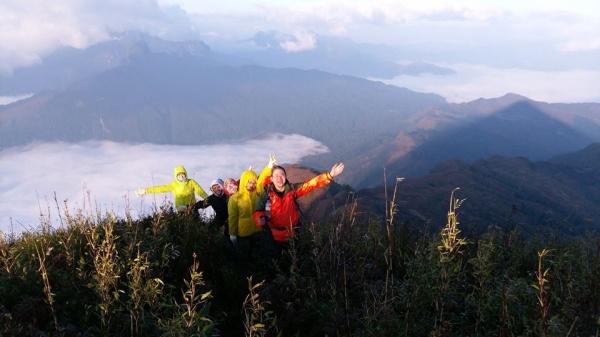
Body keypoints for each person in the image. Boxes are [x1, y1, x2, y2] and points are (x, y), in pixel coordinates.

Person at [254, 162, 345, 258]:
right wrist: (259, 220)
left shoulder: (293, 190)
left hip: (293, 234)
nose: (279, 178)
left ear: (285, 177)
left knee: (294, 260)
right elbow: (258, 210)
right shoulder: (266, 194)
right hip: (273, 236)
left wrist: (330, 175)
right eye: (276, 175)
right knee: (277, 262)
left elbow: (311, 184)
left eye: (282, 175)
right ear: (271, 179)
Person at [228, 155, 276, 269]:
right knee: (243, 256)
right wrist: (232, 234)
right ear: (244, 182)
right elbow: (233, 218)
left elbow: (261, 180)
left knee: (256, 254)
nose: (252, 184)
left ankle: (256, 274)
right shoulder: (235, 198)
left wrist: (269, 167)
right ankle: (244, 275)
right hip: (243, 234)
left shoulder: (257, 193)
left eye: (253, 182)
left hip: (256, 230)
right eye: (249, 182)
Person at [136, 165, 208, 214]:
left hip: (192, 207)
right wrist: (145, 191)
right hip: (181, 209)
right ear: (176, 176)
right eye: (179, 175)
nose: (181, 176)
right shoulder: (174, 184)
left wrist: (208, 199)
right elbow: (160, 188)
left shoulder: (191, 182)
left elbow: (200, 191)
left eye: (183, 174)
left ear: (186, 174)